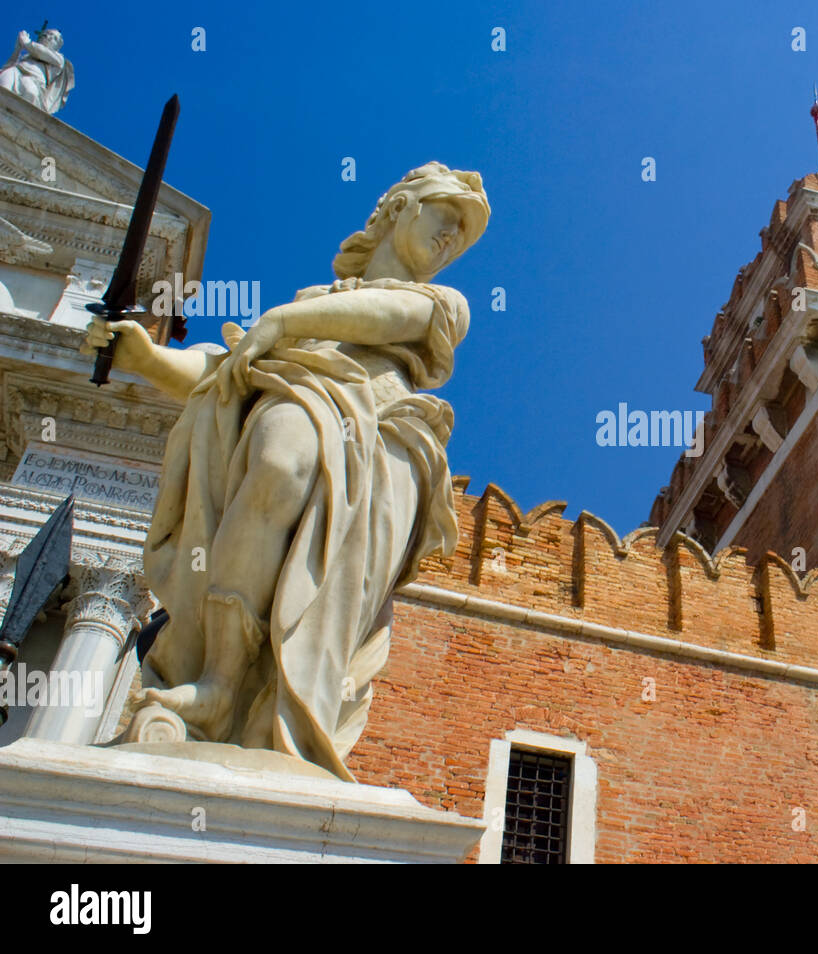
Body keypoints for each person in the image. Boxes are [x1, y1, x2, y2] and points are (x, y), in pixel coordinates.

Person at [81, 163, 489, 779]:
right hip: (298, 399)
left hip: (380, 441)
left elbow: (388, 317)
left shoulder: (441, 303)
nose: (450, 239)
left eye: (462, 236)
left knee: (328, 589)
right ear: (401, 206)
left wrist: (283, 325)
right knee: (277, 456)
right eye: (446, 217)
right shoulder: (310, 307)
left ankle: (291, 715)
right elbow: (225, 377)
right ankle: (218, 683)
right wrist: (144, 356)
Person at [0, 28, 74, 114]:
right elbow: (9, 65)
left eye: (53, 37)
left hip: (34, 80)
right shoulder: (28, 54)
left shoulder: (59, 59)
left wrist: (26, 43)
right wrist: (18, 49)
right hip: (15, 71)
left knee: (30, 94)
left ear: (57, 45)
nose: (48, 36)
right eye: (46, 33)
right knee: (3, 87)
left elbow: (41, 52)